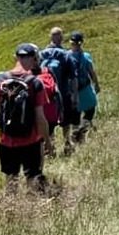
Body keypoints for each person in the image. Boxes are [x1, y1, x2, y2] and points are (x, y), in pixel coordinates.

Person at [0, 42, 56, 194]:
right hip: (31, 141)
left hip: (6, 141)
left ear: (16, 57)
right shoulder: (35, 83)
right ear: (34, 59)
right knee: (33, 178)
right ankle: (32, 209)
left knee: (11, 179)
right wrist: (48, 142)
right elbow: (40, 118)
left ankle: (11, 211)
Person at [37, 26, 81, 155]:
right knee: (66, 122)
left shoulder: (41, 54)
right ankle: (67, 143)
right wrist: (75, 96)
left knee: (49, 123)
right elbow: (73, 77)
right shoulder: (66, 55)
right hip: (63, 93)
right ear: (61, 38)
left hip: (47, 96)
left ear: (50, 37)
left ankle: (50, 147)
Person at [67, 30, 99, 140]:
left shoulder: (66, 56)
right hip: (85, 88)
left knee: (75, 113)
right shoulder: (85, 56)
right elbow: (91, 72)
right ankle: (82, 129)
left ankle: (75, 135)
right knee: (90, 110)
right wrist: (96, 84)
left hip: (71, 90)